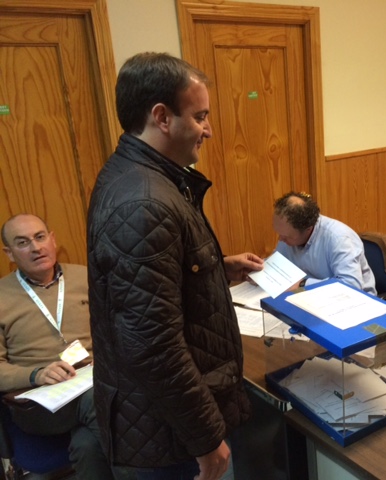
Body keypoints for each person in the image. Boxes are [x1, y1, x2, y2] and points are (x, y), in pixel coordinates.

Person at [86, 52, 264, 480]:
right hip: (167, 440)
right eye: (200, 117)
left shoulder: (140, 174)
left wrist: (216, 267)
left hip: (163, 424)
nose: (209, 130)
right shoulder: (143, 201)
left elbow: (152, 286)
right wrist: (206, 439)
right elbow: (152, 344)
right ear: (162, 117)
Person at [0, 213, 121, 479]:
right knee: (103, 399)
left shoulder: (85, 277)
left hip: (92, 377)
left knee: (87, 445)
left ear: (52, 240)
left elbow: (118, 326)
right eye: (23, 242)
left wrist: (107, 355)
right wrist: (36, 374)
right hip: (40, 400)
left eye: (40, 237)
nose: (36, 247)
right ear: (9, 253)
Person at [272, 191, 376, 294]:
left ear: (308, 229)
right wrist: (264, 268)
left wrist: (303, 284)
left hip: (350, 300)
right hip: (308, 296)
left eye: (286, 237)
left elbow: (351, 286)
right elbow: (278, 264)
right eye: (279, 233)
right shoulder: (288, 232)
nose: (280, 239)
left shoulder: (339, 239)